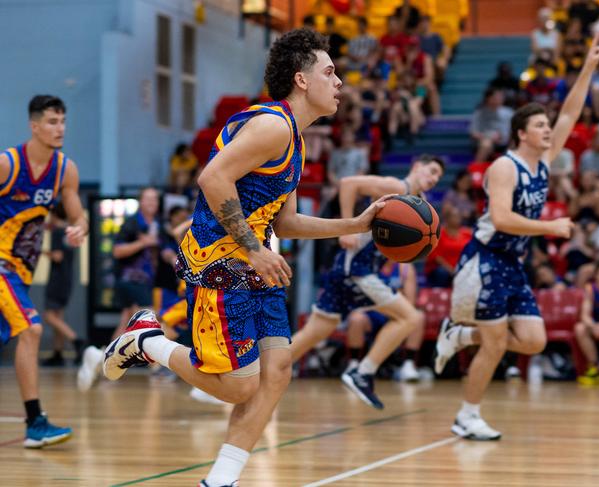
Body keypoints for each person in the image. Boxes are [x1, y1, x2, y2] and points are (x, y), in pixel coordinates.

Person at [101, 29, 388, 487]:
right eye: (329, 72)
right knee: (238, 385)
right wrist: (255, 251)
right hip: (220, 264)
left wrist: (352, 225)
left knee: (277, 371)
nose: (339, 82)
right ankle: (145, 341)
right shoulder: (272, 125)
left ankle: (220, 480)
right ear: (301, 79)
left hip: (255, 265)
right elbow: (212, 178)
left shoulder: (296, 139)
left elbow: (286, 222)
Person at [434, 36, 599, 441]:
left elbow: (569, 113)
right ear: (520, 133)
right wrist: (550, 227)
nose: (549, 130)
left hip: (512, 263)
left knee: (532, 341)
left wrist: (588, 67)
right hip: (486, 260)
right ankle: (467, 416)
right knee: (495, 346)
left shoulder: (543, 162)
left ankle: (460, 334)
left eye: (547, 126)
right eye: (540, 126)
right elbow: (501, 218)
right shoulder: (504, 168)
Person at [291, 155, 443, 406]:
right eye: (432, 170)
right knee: (410, 317)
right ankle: (362, 373)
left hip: (354, 268)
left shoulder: (419, 203)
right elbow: (349, 182)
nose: (434, 178)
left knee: (314, 333)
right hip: (357, 268)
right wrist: (348, 227)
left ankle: (249, 377)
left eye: (438, 176)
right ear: (416, 167)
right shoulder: (397, 187)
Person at [0, 95, 87, 447]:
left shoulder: (65, 170)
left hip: (20, 272)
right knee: (32, 329)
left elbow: (77, 213)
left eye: (63, 121)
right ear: (34, 126)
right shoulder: (7, 165)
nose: (59, 128)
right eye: (52, 122)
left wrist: (80, 227)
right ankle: (36, 422)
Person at [77, 187, 161, 392]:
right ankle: (158, 366)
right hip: (131, 280)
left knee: (126, 321)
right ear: (141, 201)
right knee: (150, 318)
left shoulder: (156, 225)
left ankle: (102, 358)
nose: (152, 203)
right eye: (148, 199)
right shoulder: (132, 223)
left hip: (145, 281)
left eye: (155, 199)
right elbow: (117, 251)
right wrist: (142, 243)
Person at [344, 261, 423, 382]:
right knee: (356, 318)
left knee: (417, 317)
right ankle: (354, 364)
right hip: (372, 315)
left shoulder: (405, 267)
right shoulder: (368, 263)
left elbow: (410, 301)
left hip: (395, 314)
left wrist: (390, 305)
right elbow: (358, 299)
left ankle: (408, 365)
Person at [41, 202, 84, 366]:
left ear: (54, 214)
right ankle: (57, 353)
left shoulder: (57, 232)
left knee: (49, 316)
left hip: (56, 278)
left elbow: (57, 256)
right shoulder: (69, 231)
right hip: (67, 278)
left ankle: (76, 340)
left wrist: (40, 252)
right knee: (58, 316)